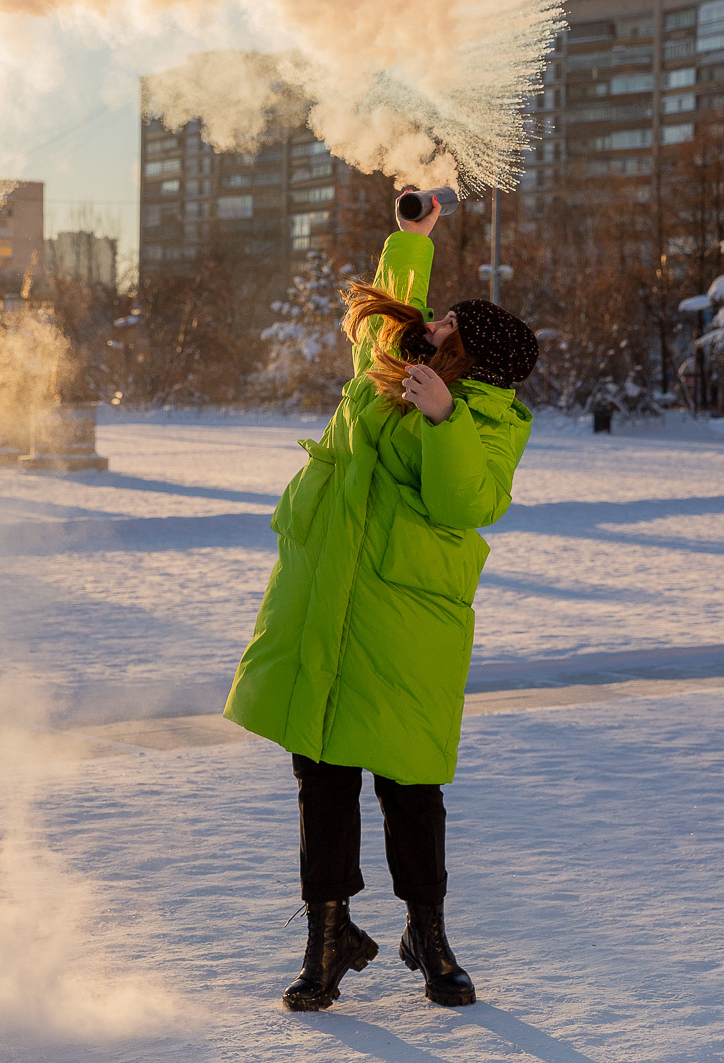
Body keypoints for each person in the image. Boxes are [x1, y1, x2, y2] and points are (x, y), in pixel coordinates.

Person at [223, 191, 540, 1012]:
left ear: (474, 363)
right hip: (325, 604)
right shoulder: (386, 364)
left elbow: (469, 502)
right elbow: (384, 309)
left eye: (446, 332)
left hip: (405, 628)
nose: (427, 328)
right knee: (321, 777)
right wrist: (411, 239)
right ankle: (327, 939)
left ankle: (427, 936)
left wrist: (444, 422)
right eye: (436, 320)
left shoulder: (492, 423)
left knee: (410, 787)